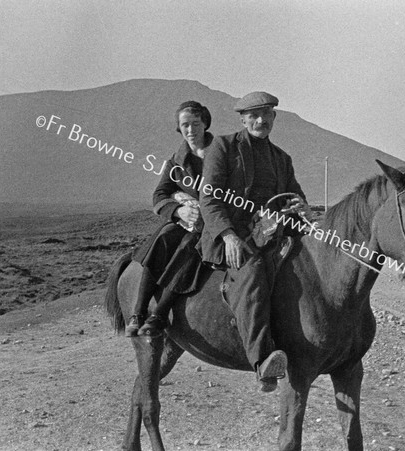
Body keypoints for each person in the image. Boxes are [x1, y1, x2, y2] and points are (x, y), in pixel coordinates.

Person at [197, 92, 310, 391]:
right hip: (233, 236)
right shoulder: (223, 147)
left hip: (272, 233)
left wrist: (301, 209)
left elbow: (293, 197)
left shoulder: (282, 159)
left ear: (274, 117)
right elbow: (208, 199)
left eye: (267, 115)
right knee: (253, 270)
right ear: (243, 119)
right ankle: (263, 362)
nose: (261, 121)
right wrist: (228, 235)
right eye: (254, 116)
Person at [126, 101, 212, 337]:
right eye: (185, 125)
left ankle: (160, 313)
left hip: (213, 223)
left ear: (205, 123)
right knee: (163, 237)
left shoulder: (223, 154)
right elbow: (159, 195)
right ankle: (138, 311)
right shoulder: (176, 161)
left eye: (196, 123)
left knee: (190, 247)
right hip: (186, 221)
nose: (191, 130)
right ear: (179, 128)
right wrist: (178, 210)